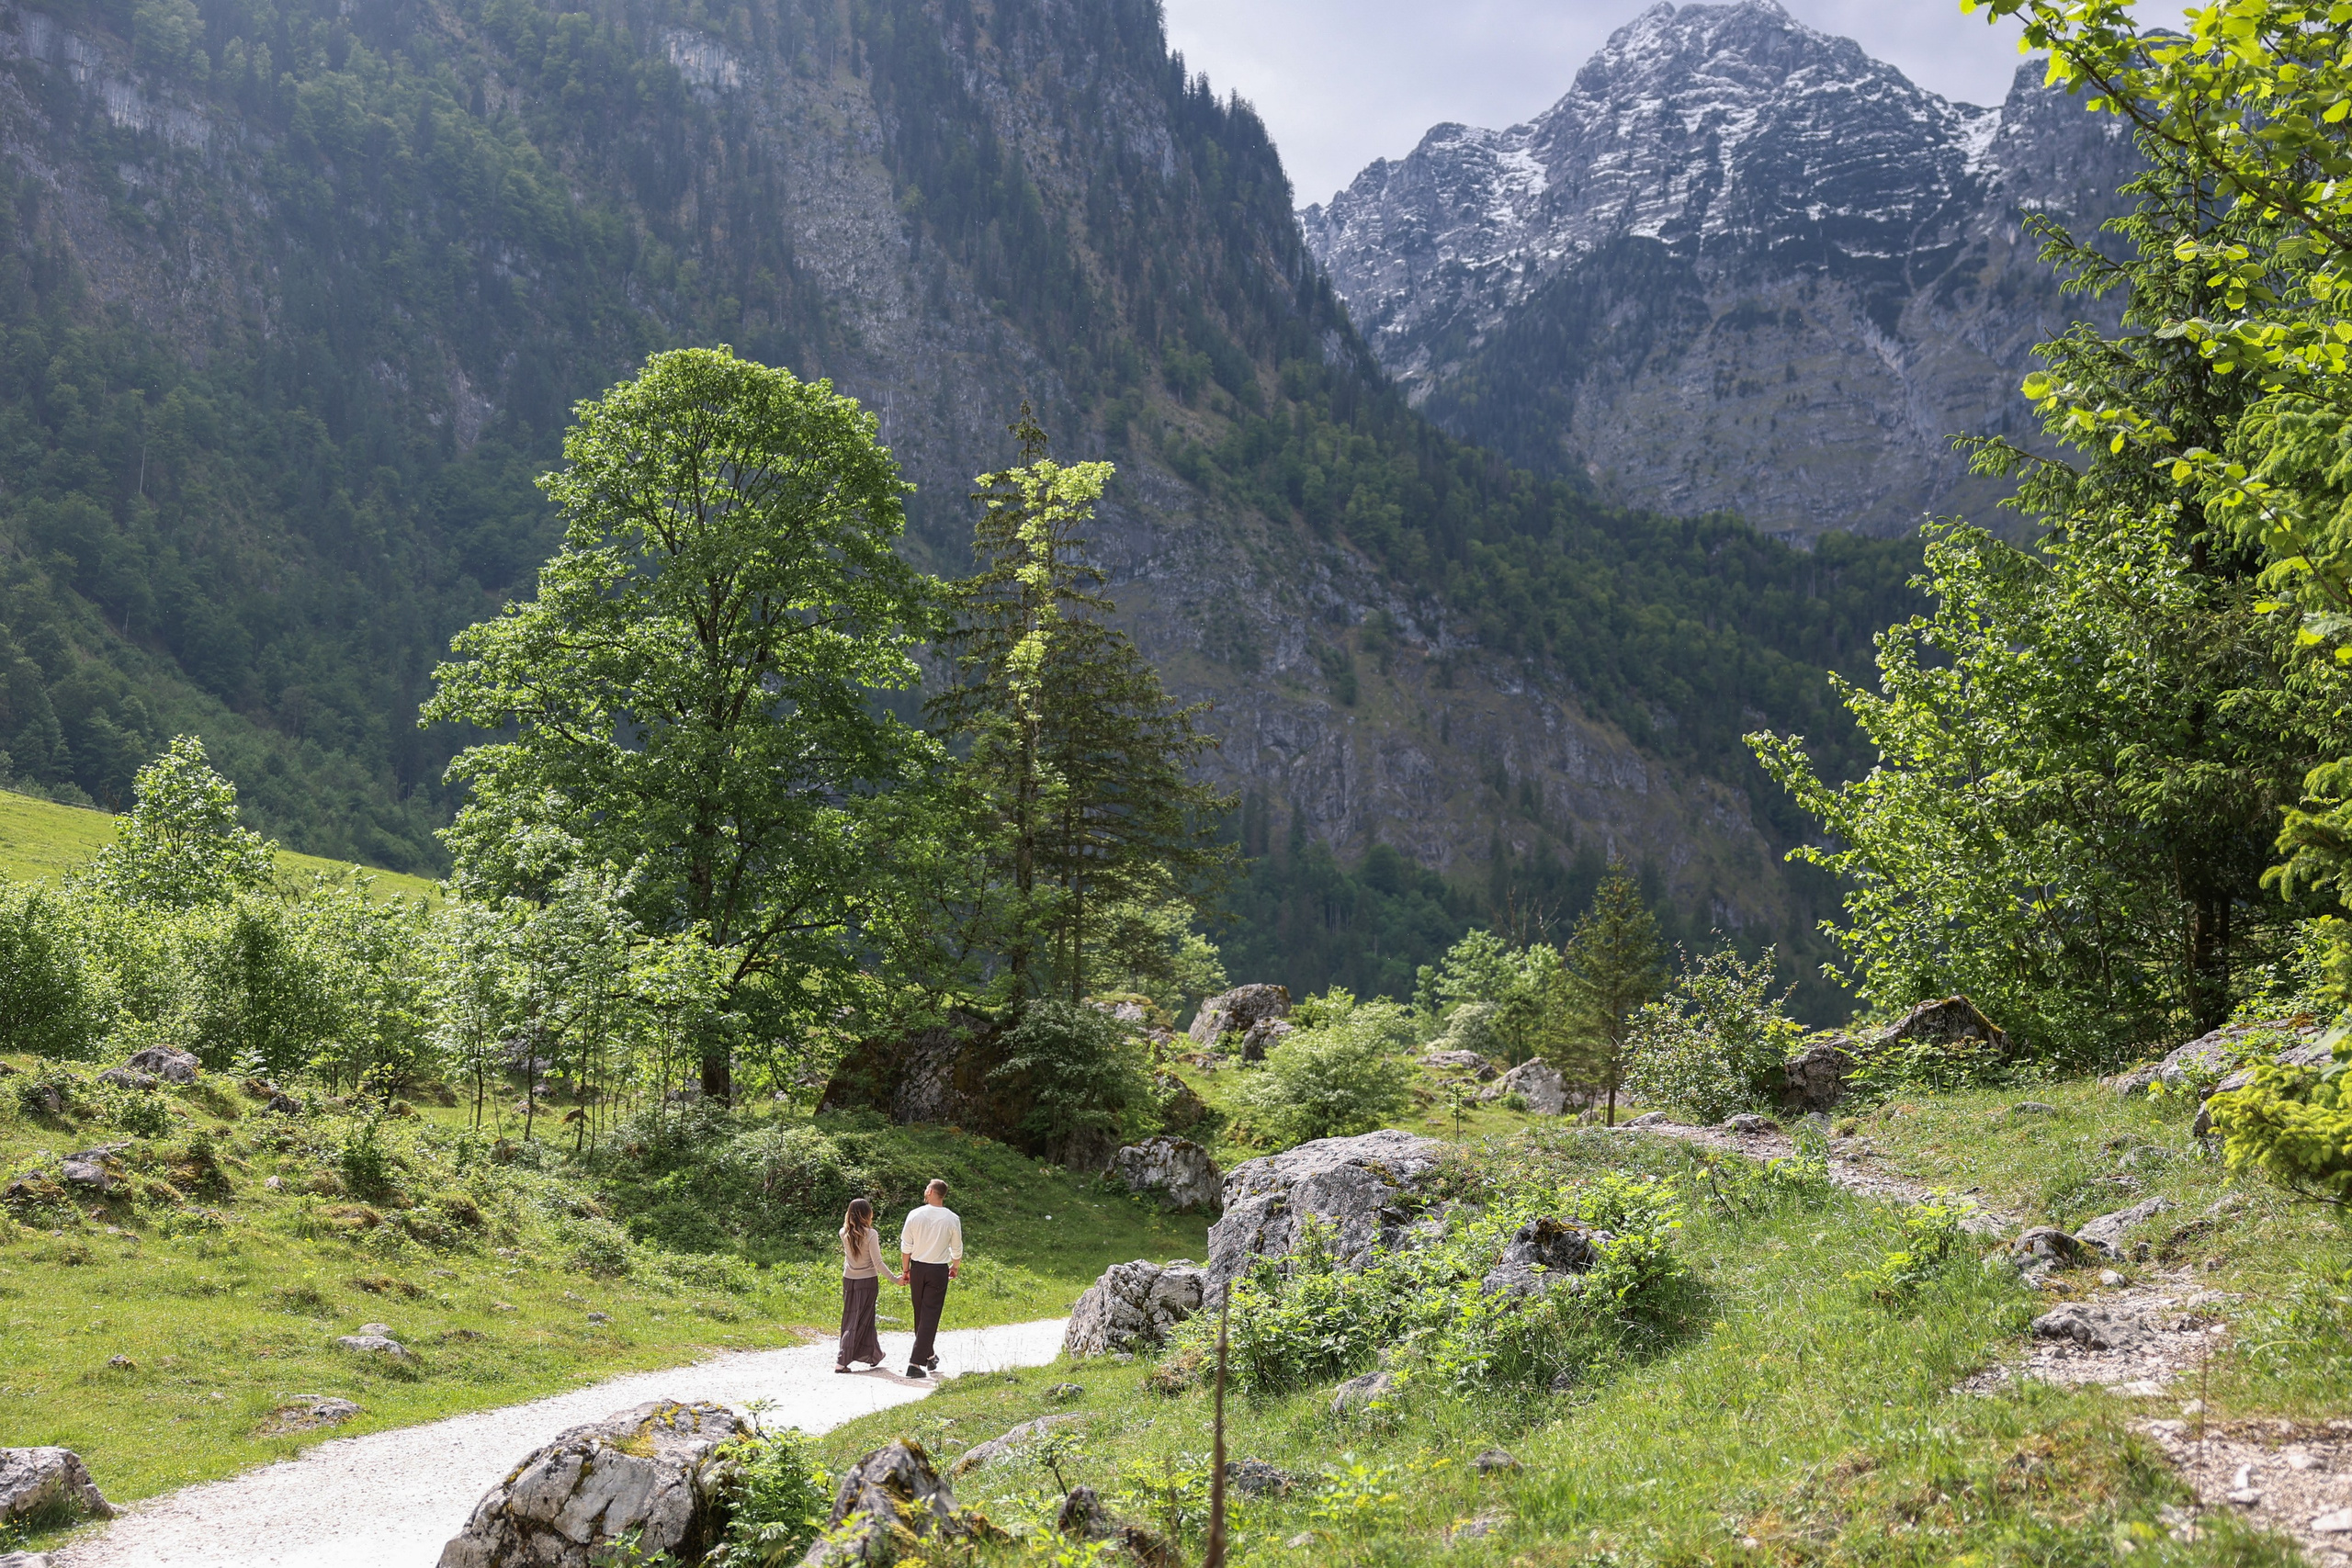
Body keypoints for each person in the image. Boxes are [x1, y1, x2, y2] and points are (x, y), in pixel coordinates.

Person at [897, 1179, 962, 1379]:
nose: (925, 1191)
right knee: (929, 1315)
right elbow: (957, 1248)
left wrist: (906, 1269)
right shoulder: (952, 1218)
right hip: (938, 1271)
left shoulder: (915, 1214)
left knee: (921, 1314)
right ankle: (915, 1363)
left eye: (927, 1188)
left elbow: (906, 1245)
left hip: (917, 1268)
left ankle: (929, 1357)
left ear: (932, 1191)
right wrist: (955, 1267)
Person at [835, 1197, 900, 1373]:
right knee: (862, 1320)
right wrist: (896, 1279)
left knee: (854, 1318)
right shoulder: (871, 1234)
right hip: (867, 1281)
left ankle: (874, 1355)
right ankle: (842, 1361)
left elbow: (848, 1259)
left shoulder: (843, 1232)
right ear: (867, 1214)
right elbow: (877, 1262)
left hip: (849, 1280)